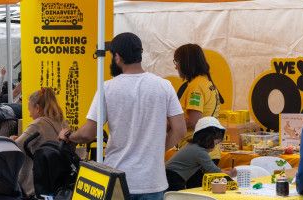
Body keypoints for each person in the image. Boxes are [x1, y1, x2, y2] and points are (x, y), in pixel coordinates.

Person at [65, 32, 185, 199]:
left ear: (118, 57)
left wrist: (70, 136)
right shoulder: (164, 86)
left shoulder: (108, 88)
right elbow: (179, 130)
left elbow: (87, 134)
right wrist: (155, 151)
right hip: (152, 181)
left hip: (117, 179)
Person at [166, 117, 226, 190]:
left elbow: (206, 169)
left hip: (169, 174)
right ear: (207, 139)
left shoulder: (193, 146)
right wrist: (230, 173)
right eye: (216, 143)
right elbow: (214, 171)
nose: (214, 147)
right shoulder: (200, 152)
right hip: (173, 177)